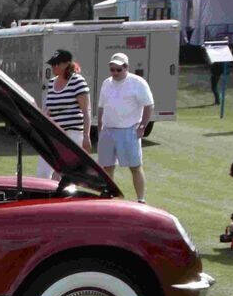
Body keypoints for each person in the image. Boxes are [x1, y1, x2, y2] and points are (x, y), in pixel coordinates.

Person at [97, 52, 153, 203]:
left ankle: (141, 199)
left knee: (135, 166)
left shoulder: (138, 82)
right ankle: (110, 196)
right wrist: (100, 126)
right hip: (108, 130)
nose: (115, 73)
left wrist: (142, 126)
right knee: (107, 167)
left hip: (129, 130)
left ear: (126, 67)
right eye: (112, 69)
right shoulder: (106, 83)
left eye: (118, 70)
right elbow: (101, 106)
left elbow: (149, 105)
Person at [38, 49, 91, 180]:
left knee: (63, 175)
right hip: (54, 133)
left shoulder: (77, 81)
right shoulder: (51, 82)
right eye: (52, 64)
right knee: (42, 173)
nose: (54, 67)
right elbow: (47, 108)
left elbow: (86, 111)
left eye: (57, 64)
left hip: (72, 134)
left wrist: (86, 136)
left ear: (67, 64)